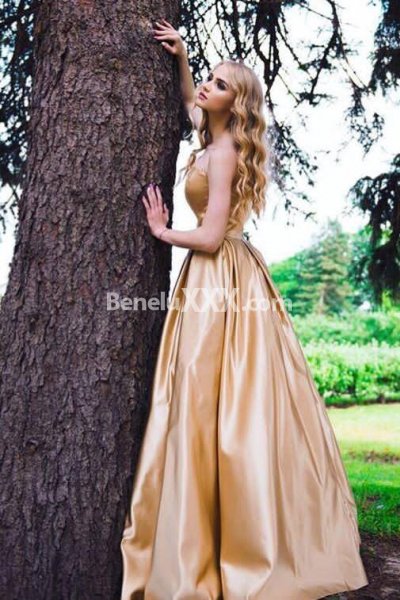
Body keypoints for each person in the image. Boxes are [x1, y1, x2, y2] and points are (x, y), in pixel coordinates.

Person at [119, 18, 369, 600]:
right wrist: (184, 58)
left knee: (215, 396)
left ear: (237, 104)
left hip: (221, 279)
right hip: (211, 279)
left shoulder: (226, 151)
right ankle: (203, 531)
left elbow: (209, 238)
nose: (207, 88)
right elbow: (190, 103)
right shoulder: (210, 137)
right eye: (209, 79)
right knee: (204, 395)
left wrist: (161, 231)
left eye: (220, 85)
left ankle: (235, 542)